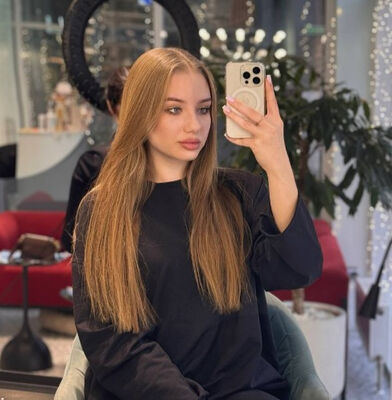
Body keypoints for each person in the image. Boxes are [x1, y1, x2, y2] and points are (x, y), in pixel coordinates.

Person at [72, 48, 323, 400]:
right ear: (140, 111)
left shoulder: (238, 194)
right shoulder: (102, 210)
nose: (195, 125)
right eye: (174, 109)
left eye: (204, 109)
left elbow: (298, 270)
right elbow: (112, 343)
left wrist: (278, 165)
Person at [61, 66, 129, 252]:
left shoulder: (93, 163)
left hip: (106, 265)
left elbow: (70, 238)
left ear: (111, 107)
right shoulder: (173, 162)